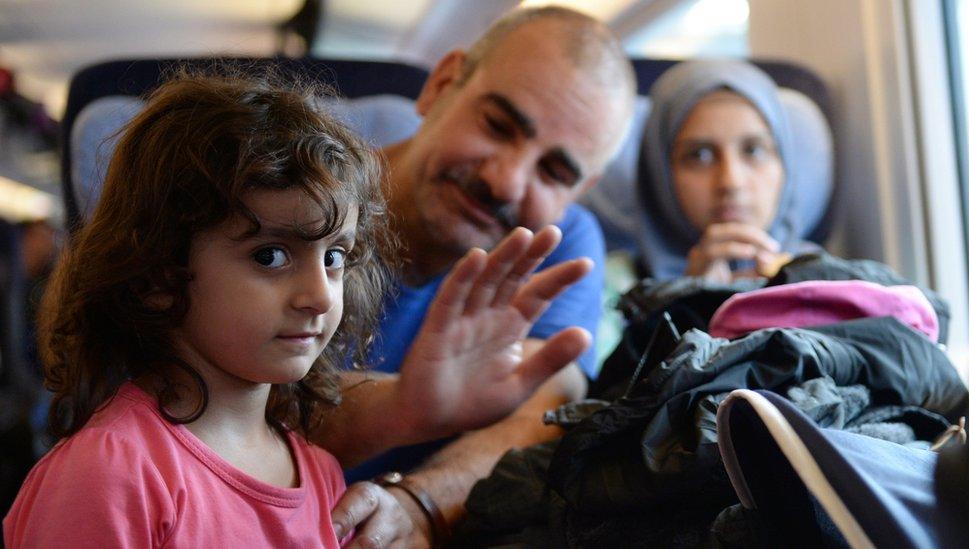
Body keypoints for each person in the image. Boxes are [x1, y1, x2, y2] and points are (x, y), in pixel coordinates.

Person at [3, 71, 589, 547]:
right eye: (271, 255)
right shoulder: (114, 475)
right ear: (158, 275)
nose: (319, 294)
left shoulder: (320, 473)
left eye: (335, 257)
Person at [316, 6, 636, 546]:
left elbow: (537, 413)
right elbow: (216, 421)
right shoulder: (299, 203)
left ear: (580, 190)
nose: (507, 182)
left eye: (555, 172)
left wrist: (420, 504)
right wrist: (400, 410)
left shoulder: (560, 244)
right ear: (441, 85)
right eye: (498, 125)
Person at [584, 59, 825, 283]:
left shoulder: (830, 280)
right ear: (659, 174)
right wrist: (689, 302)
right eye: (699, 156)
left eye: (753, 151)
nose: (731, 182)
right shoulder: (606, 291)